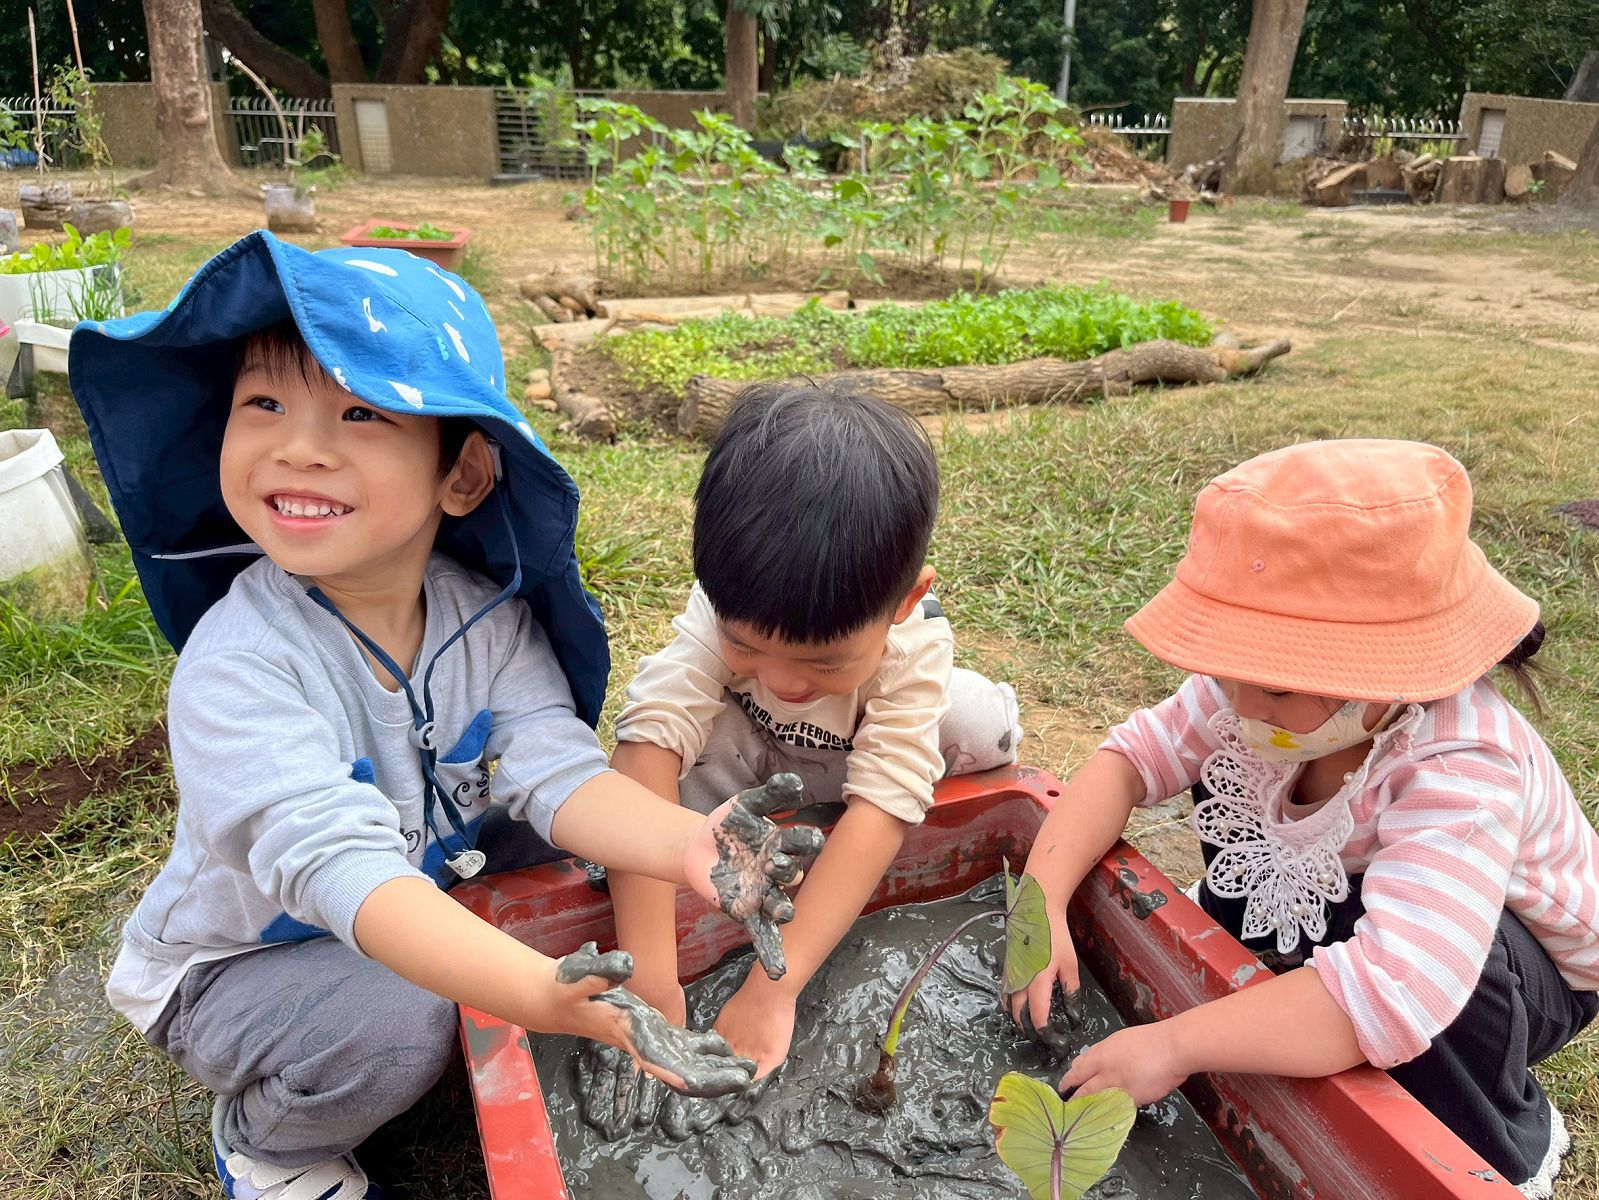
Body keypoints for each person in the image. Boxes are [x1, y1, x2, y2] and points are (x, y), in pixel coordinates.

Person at [72, 232, 821, 1200]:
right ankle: (269, 1143)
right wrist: (541, 995)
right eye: (264, 404)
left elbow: (559, 772)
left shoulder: (486, 618)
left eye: (359, 412)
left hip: (424, 880)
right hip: (244, 965)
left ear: (460, 475)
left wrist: (690, 843)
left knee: (581, 870)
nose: (299, 446)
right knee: (405, 1018)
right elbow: (341, 872)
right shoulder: (240, 666)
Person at [1009, 439, 1599, 1199]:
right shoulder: (1250, 691)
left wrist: (1175, 1045)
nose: (1240, 703)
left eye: (1277, 690)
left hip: (1512, 973)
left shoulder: (1462, 764)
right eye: (1226, 673)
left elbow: (1401, 983)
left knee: (1440, 969)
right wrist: (1042, 900)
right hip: (1361, 898)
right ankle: (1277, 981)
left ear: (1391, 672)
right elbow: (1128, 761)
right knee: (1229, 771)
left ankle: (1494, 1137)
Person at [606, 382, 1024, 1080]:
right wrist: (649, 976)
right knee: (664, 777)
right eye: (746, 648)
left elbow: (883, 808)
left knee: (973, 725)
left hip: (856, 749)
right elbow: (646, 747)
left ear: (906, 601)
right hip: (754, 754)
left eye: (825, 660)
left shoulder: (910, 646)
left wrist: (774, 988)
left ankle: (973, 726)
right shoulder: (722, 611)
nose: (781, 682)